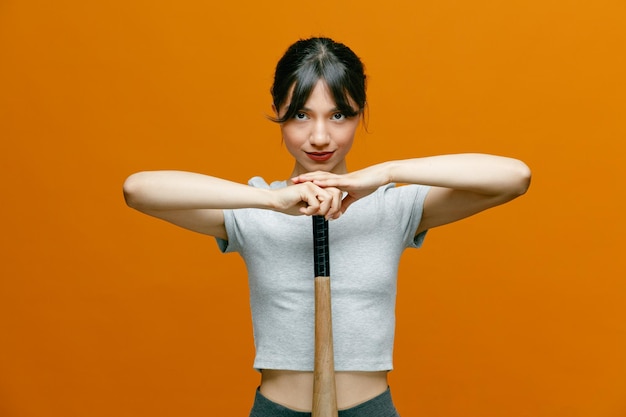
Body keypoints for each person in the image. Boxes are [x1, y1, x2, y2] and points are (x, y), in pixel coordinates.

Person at [123, 37, 531, 417]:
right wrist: (271, 200)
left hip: (369, 408)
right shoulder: (253, 209)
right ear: (279, 115)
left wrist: (386, 173)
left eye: (339, 115)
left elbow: (513, 177)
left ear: (360, 115)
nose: (320, 137)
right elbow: (138, 190)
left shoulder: (392, 206)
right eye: (301, 115)